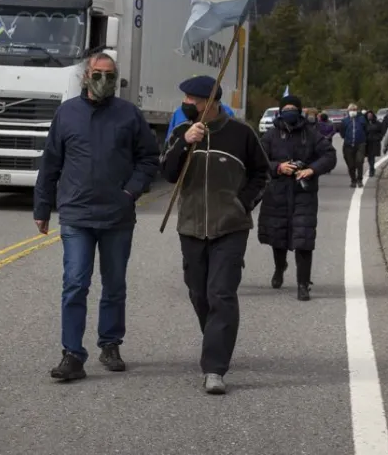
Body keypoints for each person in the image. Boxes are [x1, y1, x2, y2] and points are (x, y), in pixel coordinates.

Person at [34, 52, 161, 382]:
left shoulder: (129, 115)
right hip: (77, 214)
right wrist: (42, 207)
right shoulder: (67, 114)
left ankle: (110, 343)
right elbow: (50, 164)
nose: (105, 80)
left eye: (110, 74)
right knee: (75, 283)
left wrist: (131, 191)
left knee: (114, 284)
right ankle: (72, 354)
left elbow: (149, 158)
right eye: (99, 73)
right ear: (85, 76)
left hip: (117, 215)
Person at [160, 75, 270, 395]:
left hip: (230, 227)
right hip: (191, 228)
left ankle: (214, 367)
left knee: (221, 293)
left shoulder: (241, 133)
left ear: (210, 103)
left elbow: (261, 173)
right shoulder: (182, 132)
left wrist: (243, 204)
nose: (186, 105)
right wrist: (186, 142)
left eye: (191, 100)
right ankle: (216, 340)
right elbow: (167, 173)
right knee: (200, 294)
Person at [257, 95, 337, 301]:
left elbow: (329, 155)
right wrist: (279, 167)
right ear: (281, 112)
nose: (290, 111)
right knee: (278, 237)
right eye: (287, 108)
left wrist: (311, 169)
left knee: (303, 239)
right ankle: (279, 267)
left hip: (304, 193)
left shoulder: (311, 134)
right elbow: (259, 159)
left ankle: (303, 284)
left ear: (300, 111)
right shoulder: (271, 136)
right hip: (277, 193)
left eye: (294, 108)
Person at [165, 96, 234, 143]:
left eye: (190, 97)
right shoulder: (179, 112)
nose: (185, 100)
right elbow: (169, 144)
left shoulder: (227, 112)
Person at [341, 103, 368, 188]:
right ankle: (353, 180)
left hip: (360, 144)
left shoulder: (362, 119)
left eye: (354, 110)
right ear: (348, 111)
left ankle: (360, 180)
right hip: (348, 145)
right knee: (351, 164)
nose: (353, 111)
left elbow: (366, 129)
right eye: (351, 110)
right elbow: (342, 133)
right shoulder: (345, 121)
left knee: (359, 161)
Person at [364, 110, 384, 178]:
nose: (369, 116)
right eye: (368, 115)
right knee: (369, 157)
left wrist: (378, 138)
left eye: (370, 115)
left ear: (373, 116)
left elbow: (382, 132)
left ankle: (371, 170)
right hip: (367, 143)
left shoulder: (378, 123)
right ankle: (372, 168)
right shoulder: (364, 124)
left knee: (372, 157)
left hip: (375, 143)